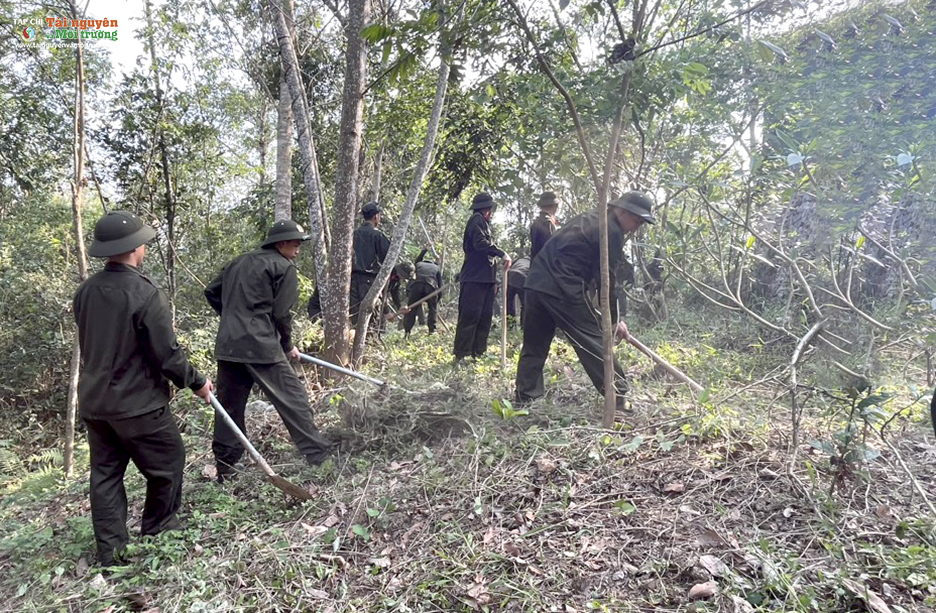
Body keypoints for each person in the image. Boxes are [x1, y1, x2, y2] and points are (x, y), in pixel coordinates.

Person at [74, 211, 212, 566]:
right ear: (136, 247)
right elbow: (166, 353)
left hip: (95, 404)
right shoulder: (145, 293)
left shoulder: (86, 291)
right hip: (137, 404)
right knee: (168, 462)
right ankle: (159, 527)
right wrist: (196, 381)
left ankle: (112, 553)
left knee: (105, 475)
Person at [205, 219, 332, 481]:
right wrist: (286, 345)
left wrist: (232, 317)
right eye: (295, 244)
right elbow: (282, 313)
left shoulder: (239, 261)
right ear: (281, 243)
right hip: (260, 345)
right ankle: (319, 457)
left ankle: (226, 470)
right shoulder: (283, 267)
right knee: (293, 397)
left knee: (229, 407)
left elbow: (211, 291)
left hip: (229, 345)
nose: (297, 249)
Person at [515, 192, 655, 410]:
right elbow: (606, 277)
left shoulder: (591, 217)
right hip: (563, 287)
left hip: (535, 282)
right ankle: (617, 395)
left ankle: (526, 399)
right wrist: (614, 319)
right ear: (623, 211)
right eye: (636, 221)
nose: (635, 228)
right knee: (592, 339)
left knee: (534, 344)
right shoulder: (612, 229)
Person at [453, 193, 511, 362]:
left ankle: (478, 353)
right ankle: (461, 354)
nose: (491, 213)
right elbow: (480, 244)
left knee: (485, 317)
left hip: (486, 279)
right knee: (470, 316)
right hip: (474, 279)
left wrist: (495, 280)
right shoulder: (476, 220)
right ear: (486, 210)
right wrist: (502, 253)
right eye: (490, 210)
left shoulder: (484, 224)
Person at [349, 202, 391, 325]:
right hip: (370, 281)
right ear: (376, 217)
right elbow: (388, 260)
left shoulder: (353, 234)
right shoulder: (378, 236)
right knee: (371, 317)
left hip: (351, 280)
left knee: (356, 316)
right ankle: (369, 342)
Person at [404, 246, 443, 336]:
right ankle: (432, 330)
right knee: (432, 309)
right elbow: (440, 285)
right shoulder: (436, 268)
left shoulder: (418, 264)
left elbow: (411, 281)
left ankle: (407, 331)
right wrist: (436, 301)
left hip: (417, 286)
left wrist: (409, 294)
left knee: (411, 309)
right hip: (431, 287)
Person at [530, 191, 560, 260]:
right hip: (544, 266)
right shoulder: (547, 222)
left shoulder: (537, 222)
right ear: (555, 206)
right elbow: (550, 248)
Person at [506, 255, 531, 321]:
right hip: (522, 278)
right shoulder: (533, 262)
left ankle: (510, 324)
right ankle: (523, 325)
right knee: (525, 305)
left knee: (509, 303)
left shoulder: (519, 260)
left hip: (510, 276)